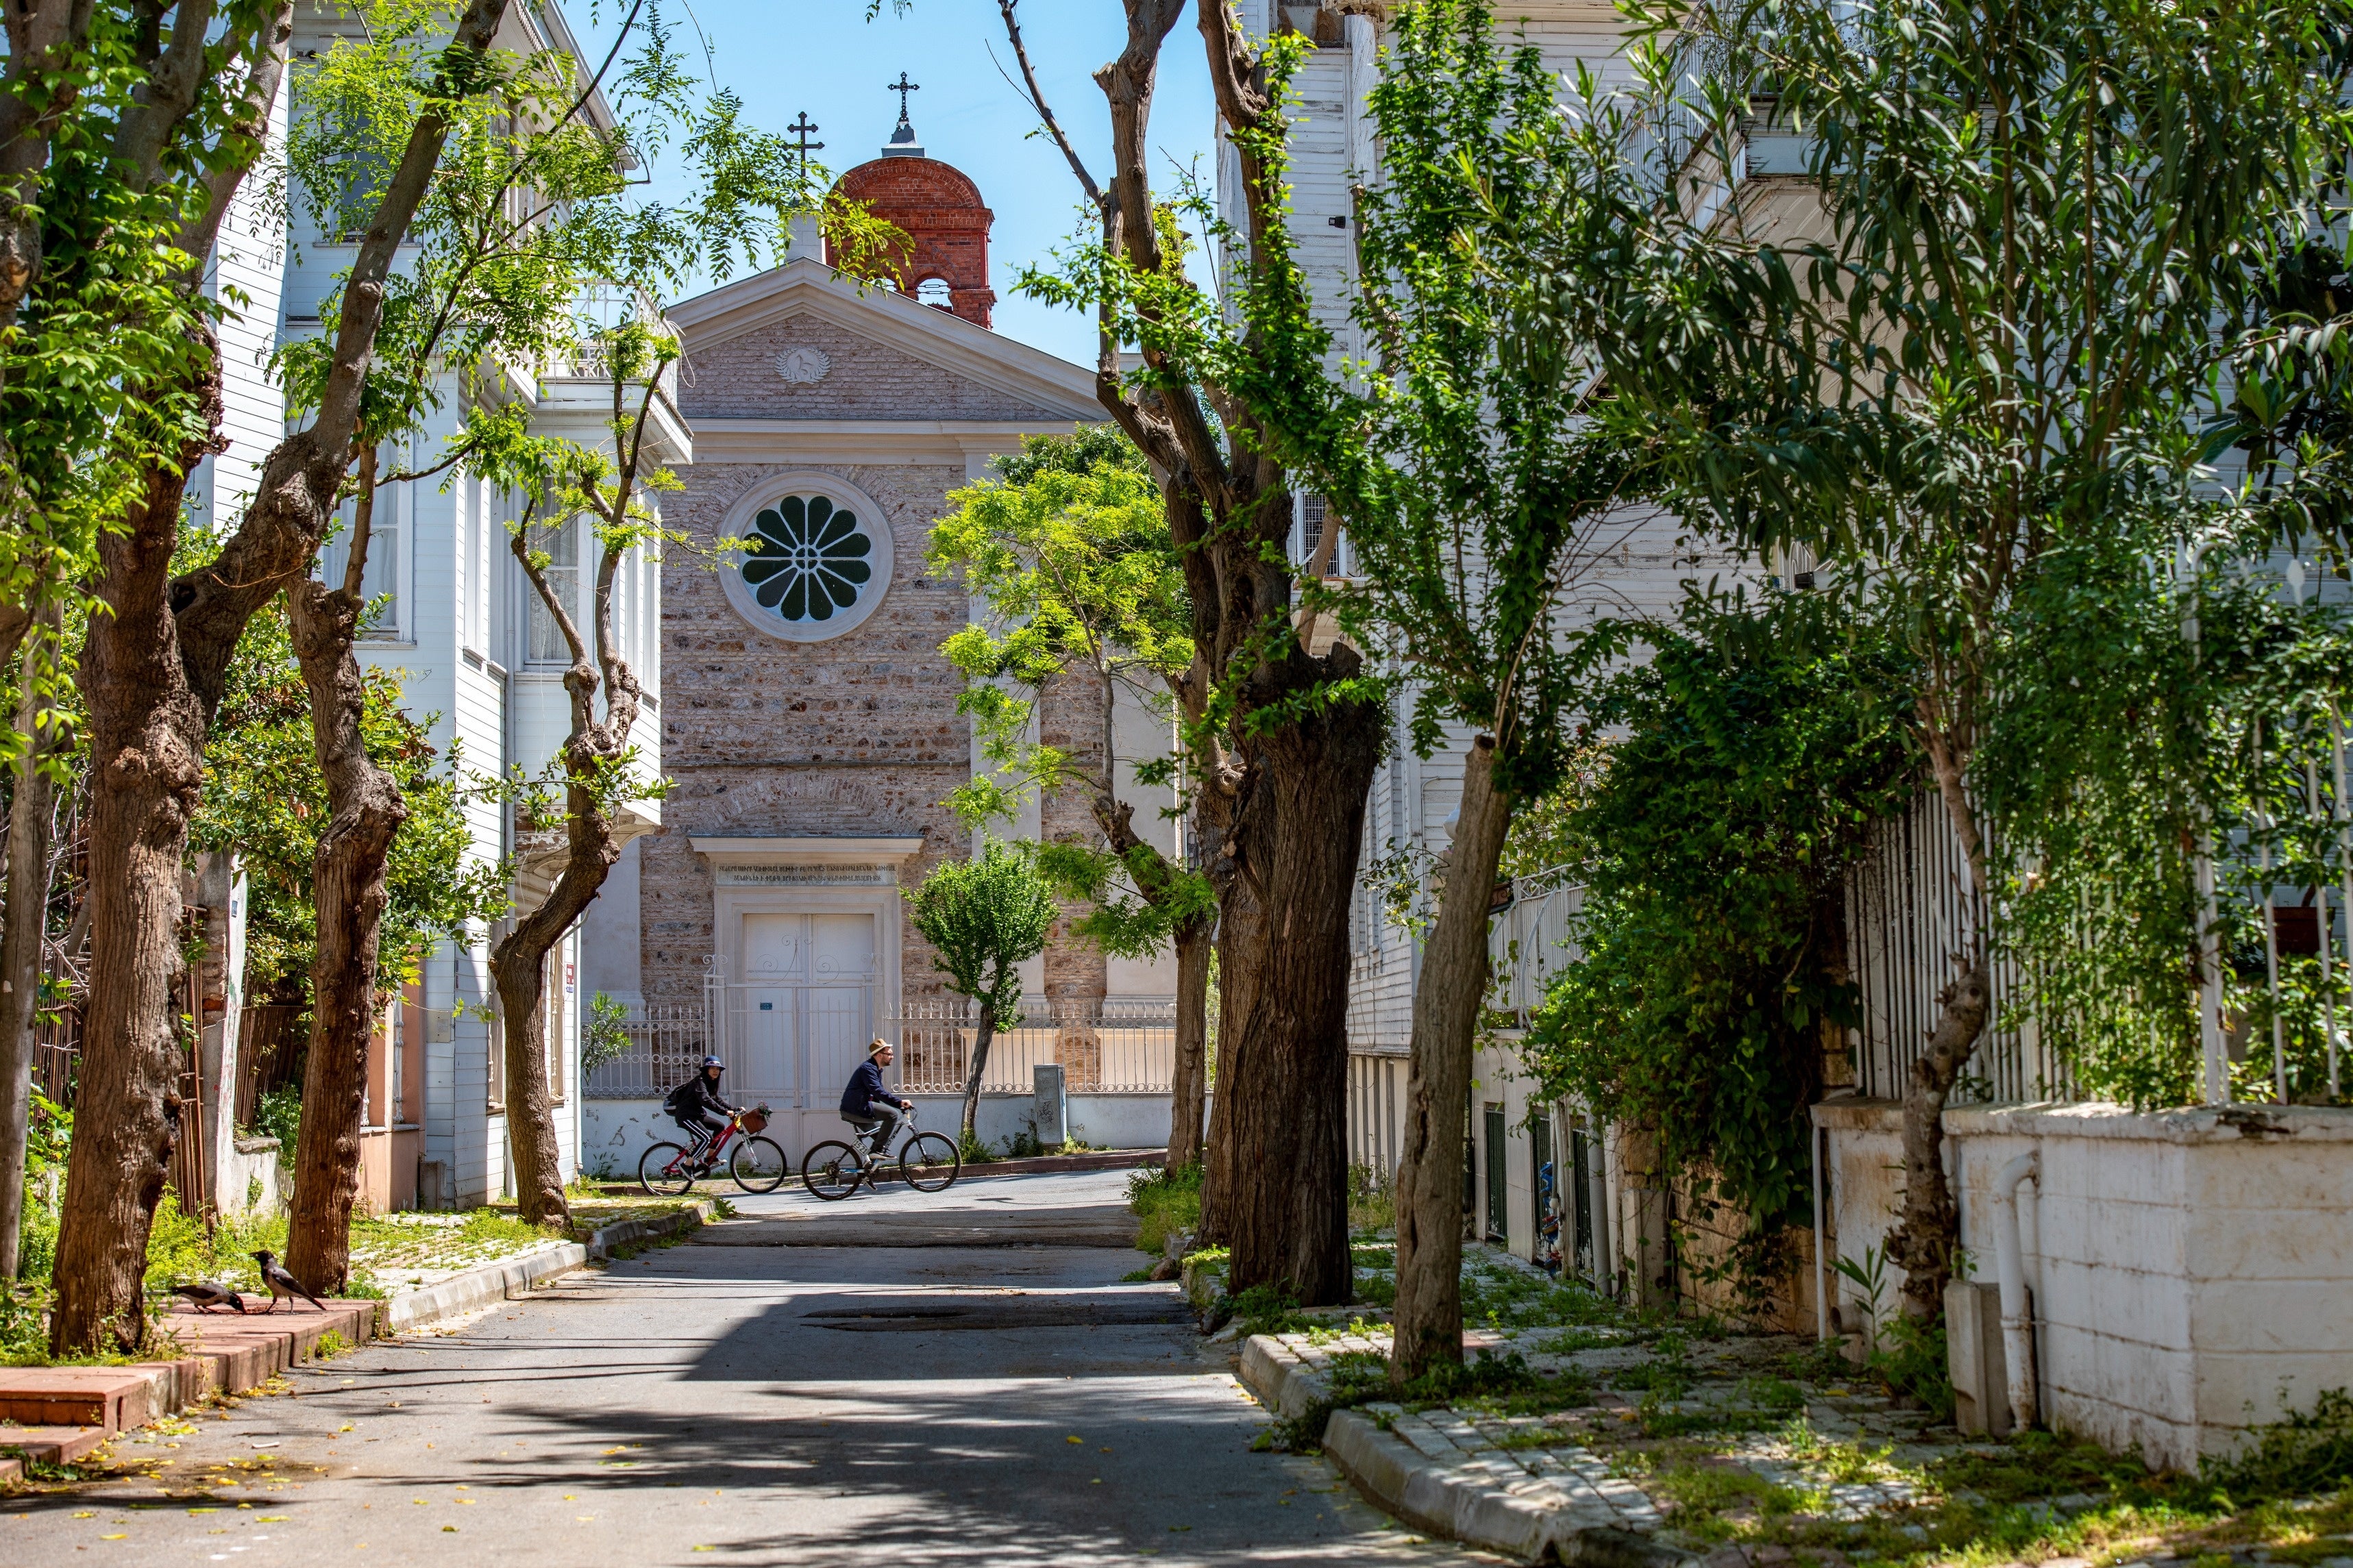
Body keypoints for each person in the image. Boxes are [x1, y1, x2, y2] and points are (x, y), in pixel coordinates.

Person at [840, 1038, 913, 1156]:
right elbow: (878, 1091)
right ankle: (876, 1152)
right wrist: (899, 1103)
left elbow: (875, 1095)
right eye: (889, 1054)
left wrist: (897, 1104)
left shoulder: (875, 1070)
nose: (892, 1057)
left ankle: (869, 1169)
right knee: (892, 1115)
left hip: (859, 1108)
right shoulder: (868, 1069)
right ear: (879, 1055)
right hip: (855, 1109)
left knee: (880, 1137)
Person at [664, 1056, 736, 1165]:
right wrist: (725, 1112)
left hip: (696, 1115)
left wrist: (734, 1109)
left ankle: (709, 1158)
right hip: (685, 1116)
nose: (715, 1071)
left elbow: (716, 1099)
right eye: (712, 1068)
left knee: (720, 1127)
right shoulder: (699, 1082)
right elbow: (705, 1100)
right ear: (707, 1070)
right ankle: (687, 1164)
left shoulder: (710, 1083)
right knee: (707, 1138)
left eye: (717, 1069)